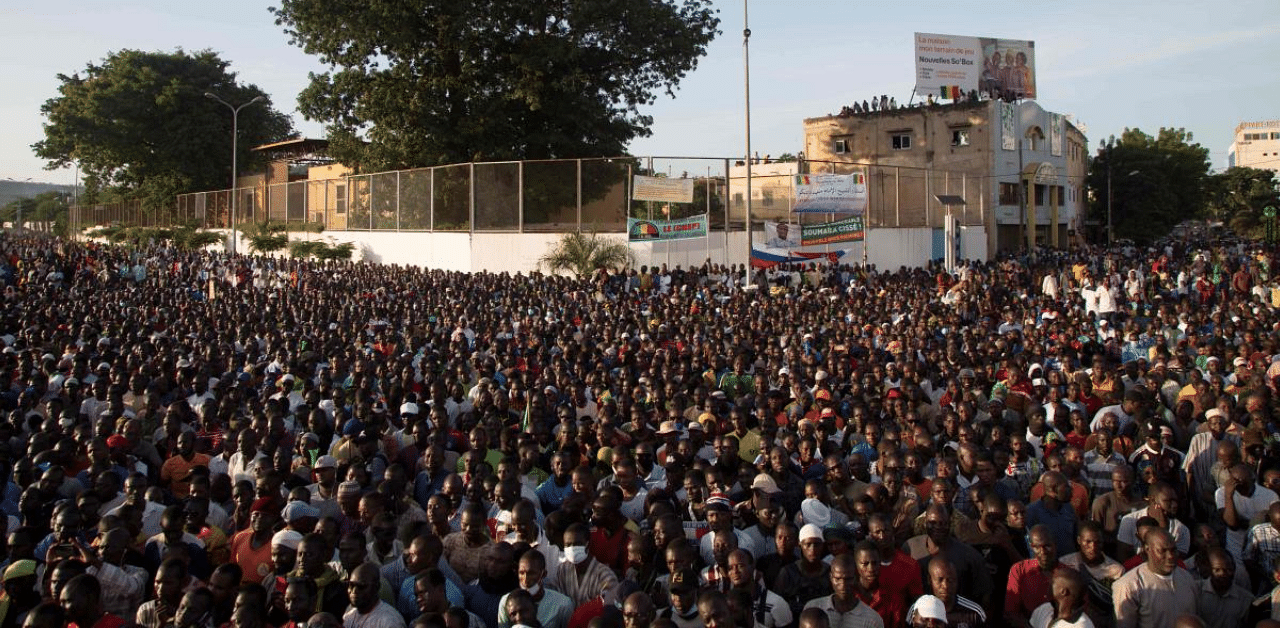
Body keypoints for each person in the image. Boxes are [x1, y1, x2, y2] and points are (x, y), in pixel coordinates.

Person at [1112, 529, 1197, 628]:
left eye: (1173, 550)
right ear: (1147, 549)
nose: (1170, 556)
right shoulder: (1129, 585)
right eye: (1162, 551)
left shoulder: (1187, 578)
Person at [802, 554, 884, 628]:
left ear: (856, 578)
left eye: (848, 579)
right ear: (831, 577)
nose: (843, 584)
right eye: (837, 579)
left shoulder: (872, 620)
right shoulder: (814, 608)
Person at [343, 562, 405, 628]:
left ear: (376, 587)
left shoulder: (389, 621)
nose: (354, 591)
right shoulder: (350, 610)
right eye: (351, 585)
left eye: (361, 586)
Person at [1028, 569, 1092, 628]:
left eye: (1053, 582)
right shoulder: (1044, 609)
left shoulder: (1081, 625)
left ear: (1063, 592)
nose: (1047, 583)